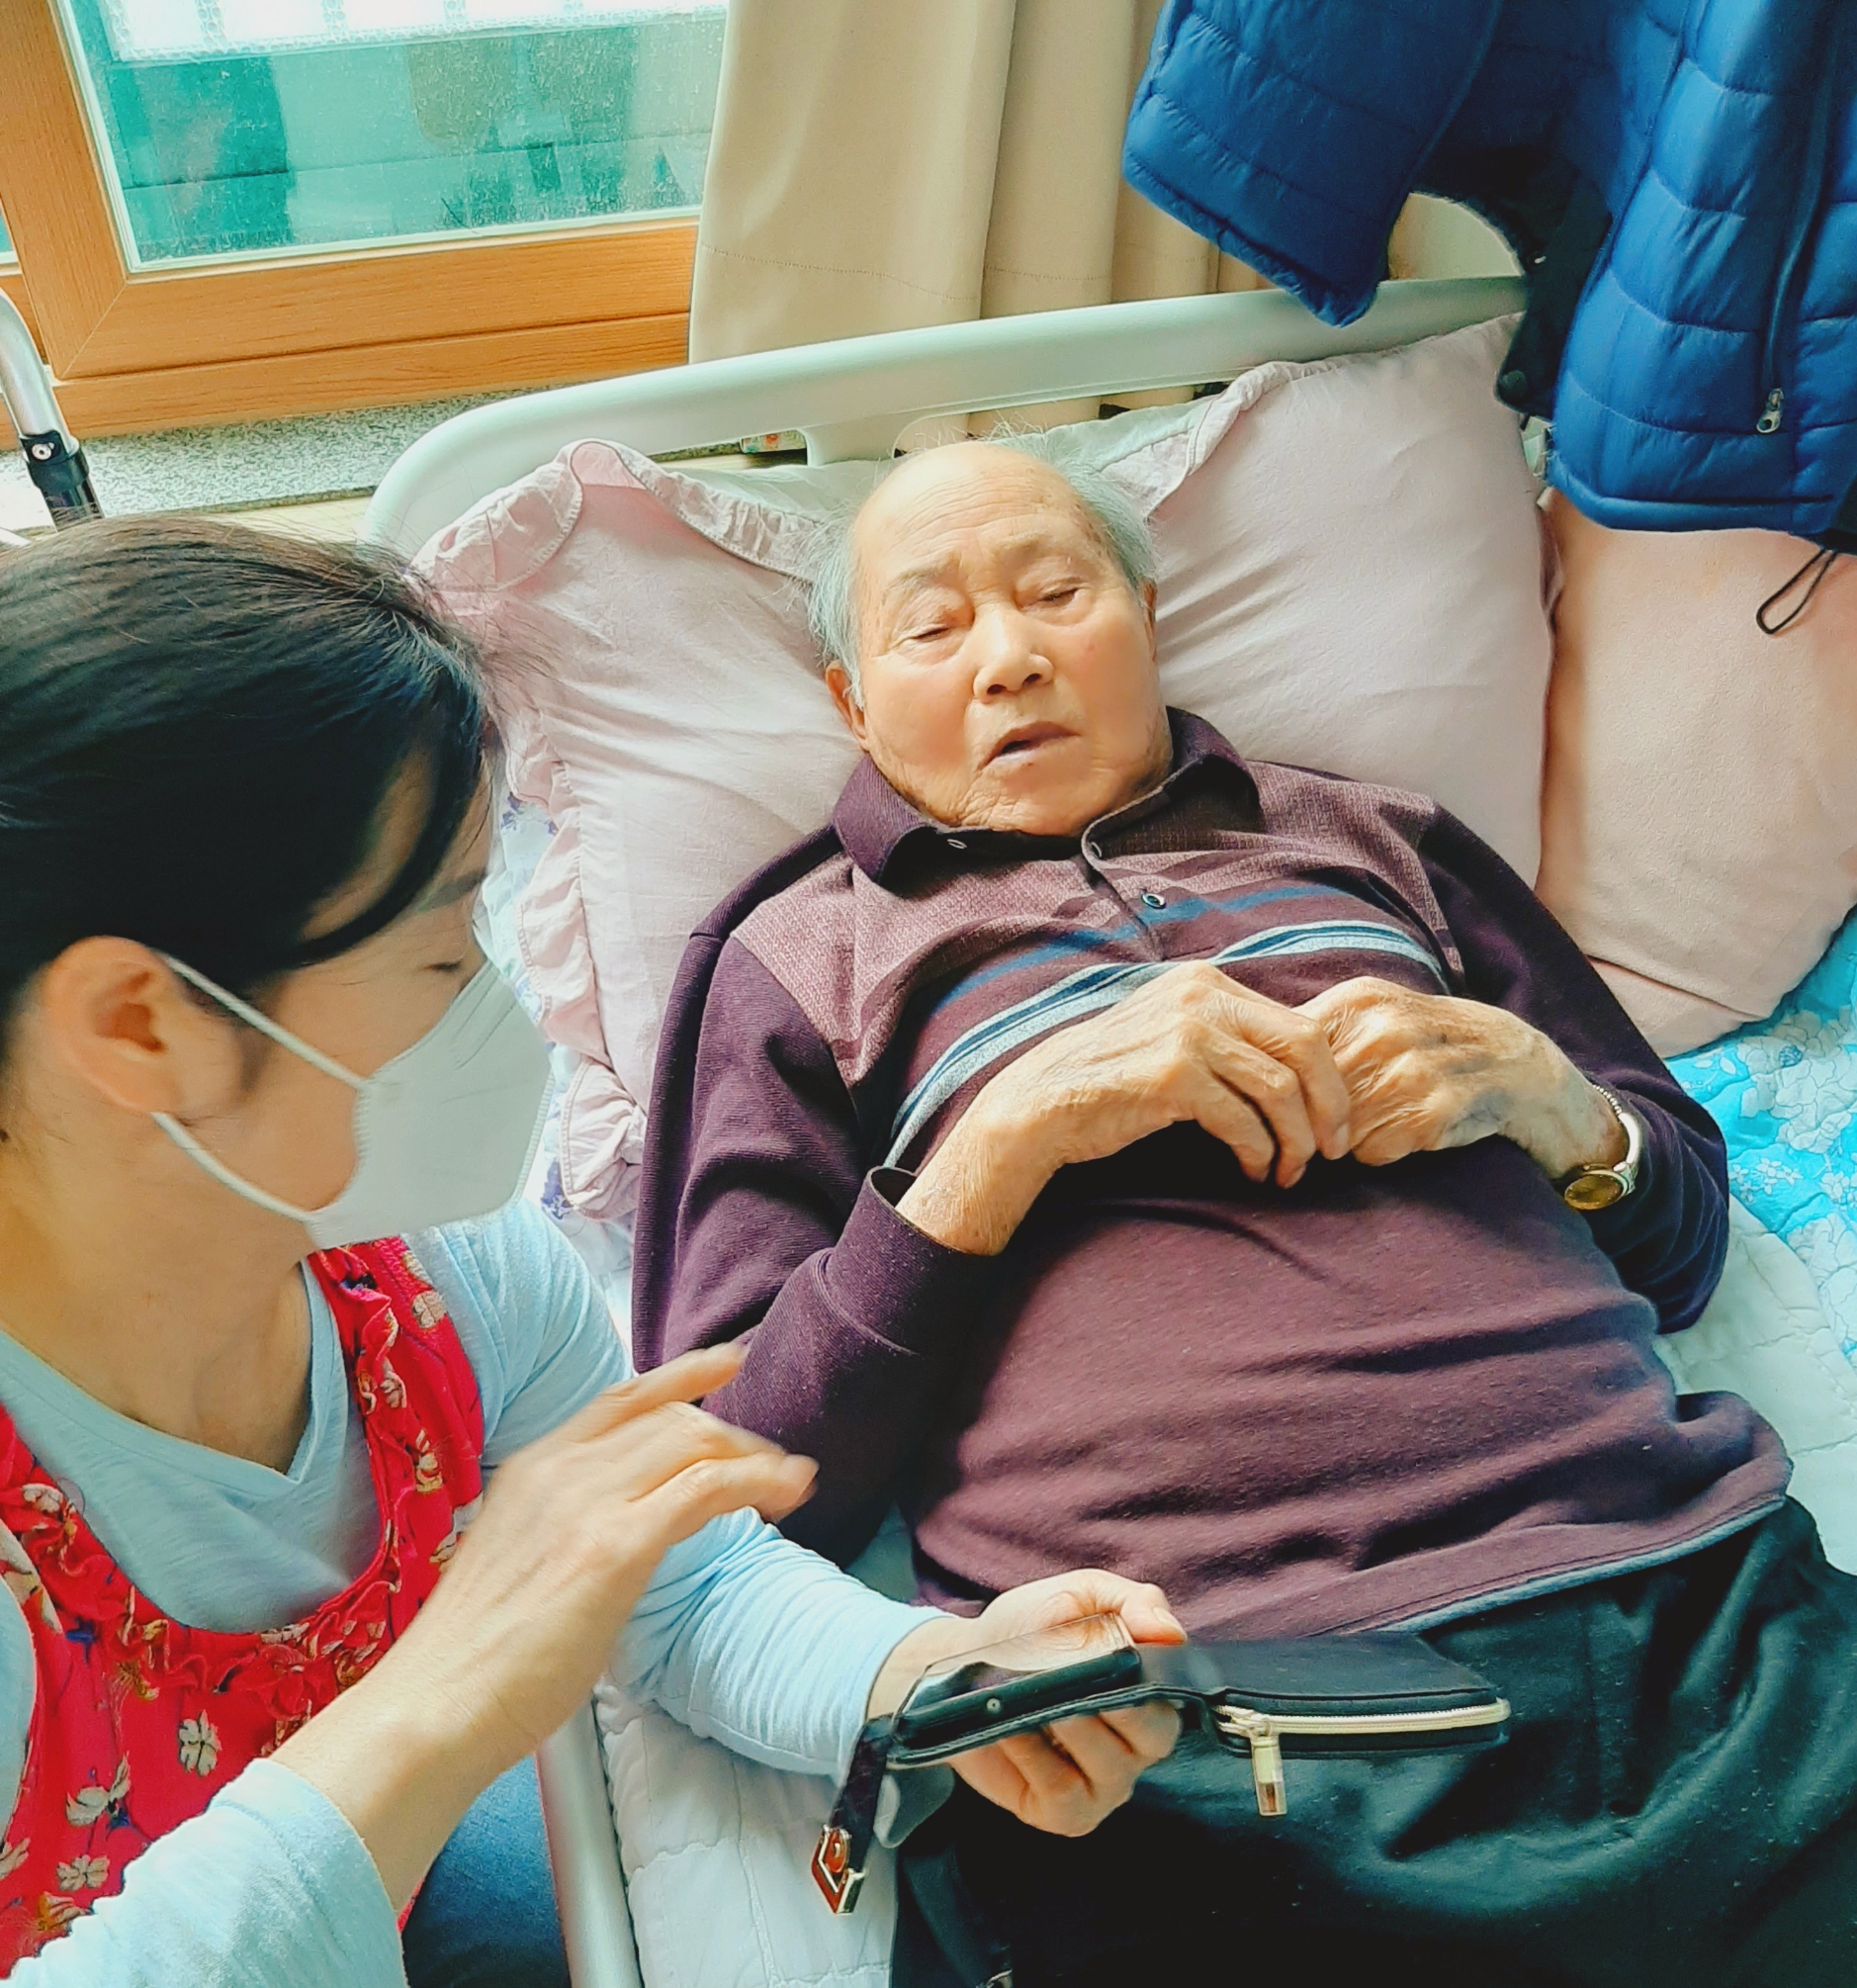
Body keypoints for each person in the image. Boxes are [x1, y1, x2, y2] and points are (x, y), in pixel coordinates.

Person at [636, 439, 1857, 1986]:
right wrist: (1003, 1139)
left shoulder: (1375, 837)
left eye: (1056, 592)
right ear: (852, 702)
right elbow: (738, 1489)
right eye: (933, 627)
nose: (1010, 656)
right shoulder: (798, 957)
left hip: (1694, 1609)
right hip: (1203, 1710)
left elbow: (1685, 1240)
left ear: (1148, 615)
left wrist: (1550, 1097)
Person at [0, 517, 1184, 1986]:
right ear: (140, 1025)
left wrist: (926, 1674)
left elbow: (682, 1589)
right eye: (444, 950)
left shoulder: (433, 1276)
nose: (496, 1012)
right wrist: (451, 1689)